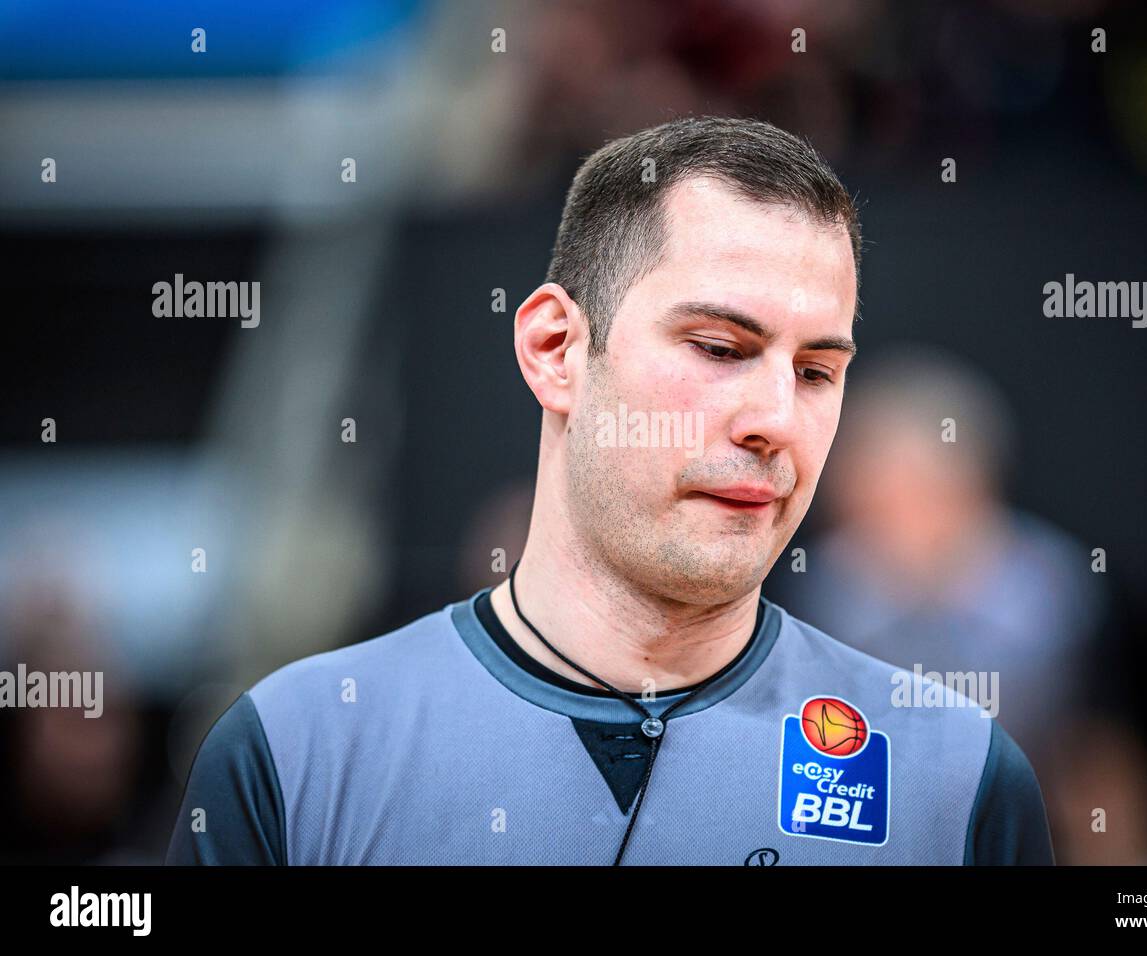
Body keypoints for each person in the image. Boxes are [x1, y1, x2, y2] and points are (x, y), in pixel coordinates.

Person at [166, 116, 1053, 865]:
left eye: (817, 370)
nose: (777, 419)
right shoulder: (297, 755)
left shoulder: (955, 781)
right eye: (719, 348)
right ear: (556, 350)